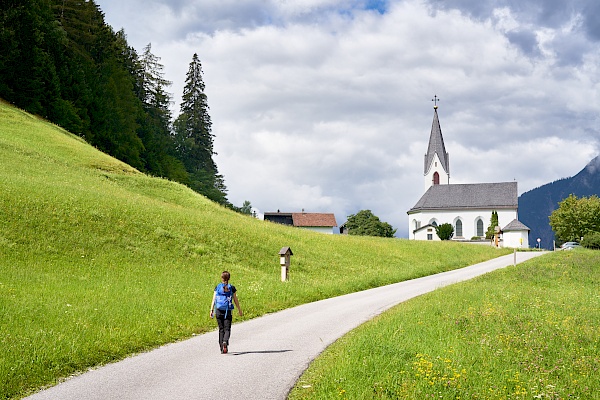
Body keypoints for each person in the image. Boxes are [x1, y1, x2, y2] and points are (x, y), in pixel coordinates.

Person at [210, 271, 242, 354]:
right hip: (227, 311)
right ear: (229, 278)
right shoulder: (232, 288)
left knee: (221, 329)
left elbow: (214, 299)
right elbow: (235, 300)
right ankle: (225, 341)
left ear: (221, 278)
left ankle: (222, 348)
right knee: (227, 329)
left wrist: (211, 310)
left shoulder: (217, 287)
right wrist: (239, 309)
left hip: (219, 310)